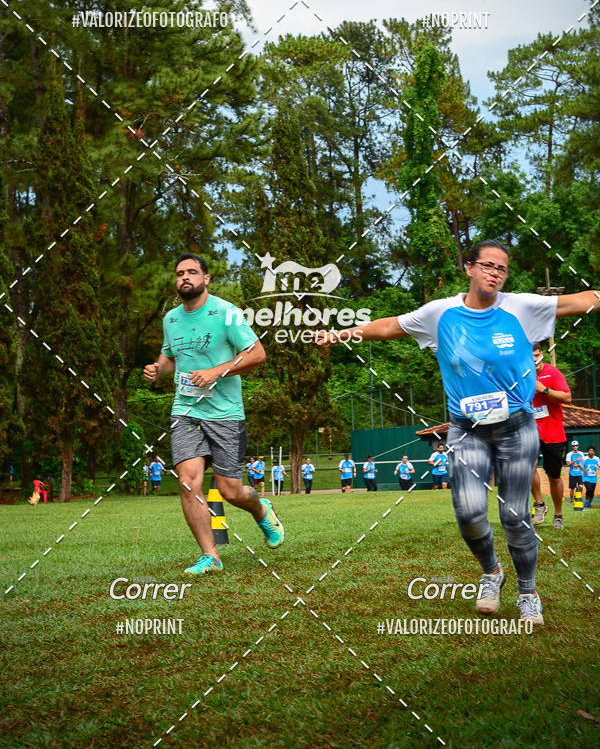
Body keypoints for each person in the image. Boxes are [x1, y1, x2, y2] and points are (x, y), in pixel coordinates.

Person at [317, 238, 600, 624]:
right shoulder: (440, 313)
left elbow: (579, 301)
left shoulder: (520, 307)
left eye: (501, 268)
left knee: (515, 516)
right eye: (487, 266)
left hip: (517, 428)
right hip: (466, 429)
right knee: (468, 512)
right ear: (469, 268)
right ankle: (491, 572)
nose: (494, 274)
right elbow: (388, 327)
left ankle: (528, 591)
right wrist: (341, 334)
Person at [143, 253, 284, 575]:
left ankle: (261, 509)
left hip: (225, 413)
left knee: (231, 490)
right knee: (187, 483)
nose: (185, 278)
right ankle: (211, 556)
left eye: (192, 272)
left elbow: (257, 354)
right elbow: (169, 358)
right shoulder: (171, 319)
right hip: (186, 411)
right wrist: (157, 370)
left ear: (206, 279)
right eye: (180, 273)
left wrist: (216, 372)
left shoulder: (227, 313)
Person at [530, 343, 571, 529]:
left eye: (537, 355)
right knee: (527, 467)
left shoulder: (552, 372)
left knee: (554, 476)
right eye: (531, 357)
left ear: (542, 355)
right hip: (529, 430)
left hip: (553, 432)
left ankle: (558, 514)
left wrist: (543, 389)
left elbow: (567, 397)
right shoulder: (519, 373)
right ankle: (539, 504)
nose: (535, 360)